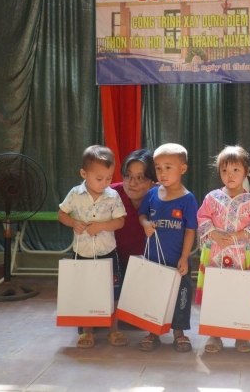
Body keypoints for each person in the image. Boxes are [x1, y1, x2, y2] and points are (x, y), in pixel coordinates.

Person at [196, 145, 250, 354]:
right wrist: (215, 234)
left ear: (246, 171)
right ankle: (214, 334)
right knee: (215, 295)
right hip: (215, 253)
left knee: (240, 294)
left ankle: (240, 335)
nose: (230, 175)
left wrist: (237, 236)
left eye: (235, 170)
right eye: (224, 170)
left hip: (240, 256)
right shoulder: (211, 198)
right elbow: (203, 218)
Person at [58, 145, 128, 349]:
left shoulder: (112, 196)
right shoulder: (75, 194)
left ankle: (113, 330)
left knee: (113, 293)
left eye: (108, 178)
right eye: (99, 179)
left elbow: (121, 221)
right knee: (85, 292)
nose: (104, 183)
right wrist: (73, 223)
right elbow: (62, 214)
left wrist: (102, 226)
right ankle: (87, 332)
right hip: (83, 254)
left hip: (108, 254)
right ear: (84, 174)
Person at [138, 143, 198, 353]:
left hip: (177, 262)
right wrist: (145, 224)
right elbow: (142, 215)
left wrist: (184, 257)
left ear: (183, 169)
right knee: (155, 296)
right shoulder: (152, 194)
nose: (162, 173)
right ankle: (153, 331)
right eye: (158, 167)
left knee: (181, 298)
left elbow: (191, 229)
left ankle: (179, 333)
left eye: (168, 167)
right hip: (154, 261)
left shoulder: (188, 199)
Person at [110, 149, 158, 276]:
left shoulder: (162, 199)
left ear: (153, 182)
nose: (132, 183)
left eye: (140, 178)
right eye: (128, 176)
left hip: (149, 264)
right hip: (113, 262)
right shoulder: (110, 194)